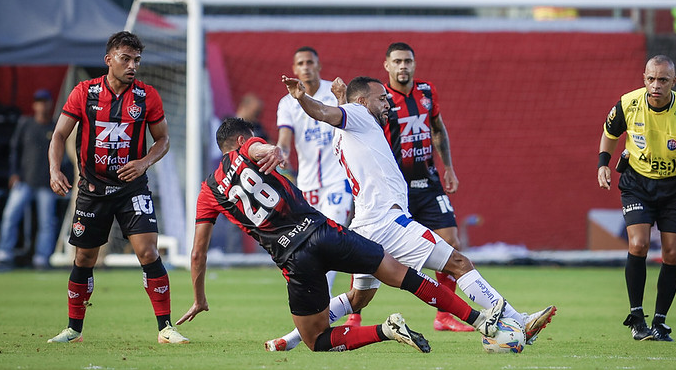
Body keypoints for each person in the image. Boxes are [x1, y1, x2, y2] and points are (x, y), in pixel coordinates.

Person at [265, 75, 556, 352]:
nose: (388, 104)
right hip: (388, 223)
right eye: (382, 99)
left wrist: (340, 98)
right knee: (457, 261)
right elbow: (324, 113)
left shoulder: (345, 132)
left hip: (364, 226)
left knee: (359, 297)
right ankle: (518, 321)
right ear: (363, 102)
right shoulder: (360, 115)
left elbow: (336, 116)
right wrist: (303, 98)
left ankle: (292, 339)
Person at [176, 117, 507, 353]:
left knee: (316, 340)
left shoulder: (207, 191)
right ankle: (480, 321)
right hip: (324, 232)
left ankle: (384, 330)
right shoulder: (246, 148)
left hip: (294, 260)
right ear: (239, 141)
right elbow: (259, 148)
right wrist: (272, 148)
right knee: (401, 274)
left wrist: (199, 297)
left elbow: (197, 253)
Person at [46, 31, 188, 344]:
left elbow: (163, 139)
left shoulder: (147, 96)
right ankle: (74, 330)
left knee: (147, 251)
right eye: (125, 58)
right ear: (108, 59)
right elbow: (58, 135)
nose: (132, 65)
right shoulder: (84, 92)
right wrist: (55, 169)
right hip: (93, 190)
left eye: (137, 60)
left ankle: (166, 328)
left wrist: (144, 162)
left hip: (132, 188)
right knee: (84, 258)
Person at [597, 55, 676, 342]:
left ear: (674, 81)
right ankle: (637, 316)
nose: (655, 85)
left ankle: (660, 322)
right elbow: (610, 133)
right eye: (651, 79)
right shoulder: (628, 104)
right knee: (638, 244)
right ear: (643, 79)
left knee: (672, 253)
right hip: (637, 184)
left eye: (662, 80)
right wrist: (603, 164)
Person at [371, 41, 471, 332]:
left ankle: (444, 315)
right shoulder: (379, 98)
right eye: (398, 61)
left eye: (408, 61)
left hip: (429, 182)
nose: (403, 66)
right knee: (370, 249)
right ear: (387, 65)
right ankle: (354, 315)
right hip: (394, 187)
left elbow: (437, 128)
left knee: (451, 241)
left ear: (414, 64)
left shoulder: (427, 92)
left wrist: (448, 166)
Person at [266, 47, 354, 347]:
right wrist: (281, 153)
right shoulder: (286, 102)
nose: (305, 68)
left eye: (310, 63)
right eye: (300, 63)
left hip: (338, 183)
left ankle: (318, 317)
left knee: (326, 245)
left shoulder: (336, 91)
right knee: (309, 251)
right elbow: (285, 139)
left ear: (318, 65)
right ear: (294, 67)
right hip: (307, 188)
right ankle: (336, 311)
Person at [0, 90, 60, 270]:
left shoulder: (55, 127)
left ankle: (42, 258)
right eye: (38, 101)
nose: (42, 105)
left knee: (47, 222)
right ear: (34, 105)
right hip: (23, 180)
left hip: (46, 182)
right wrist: (13, 173)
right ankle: (3, 254)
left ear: (50, 104)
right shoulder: (26, 124)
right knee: (10, 215)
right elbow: (15, 149)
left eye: (45, 102)